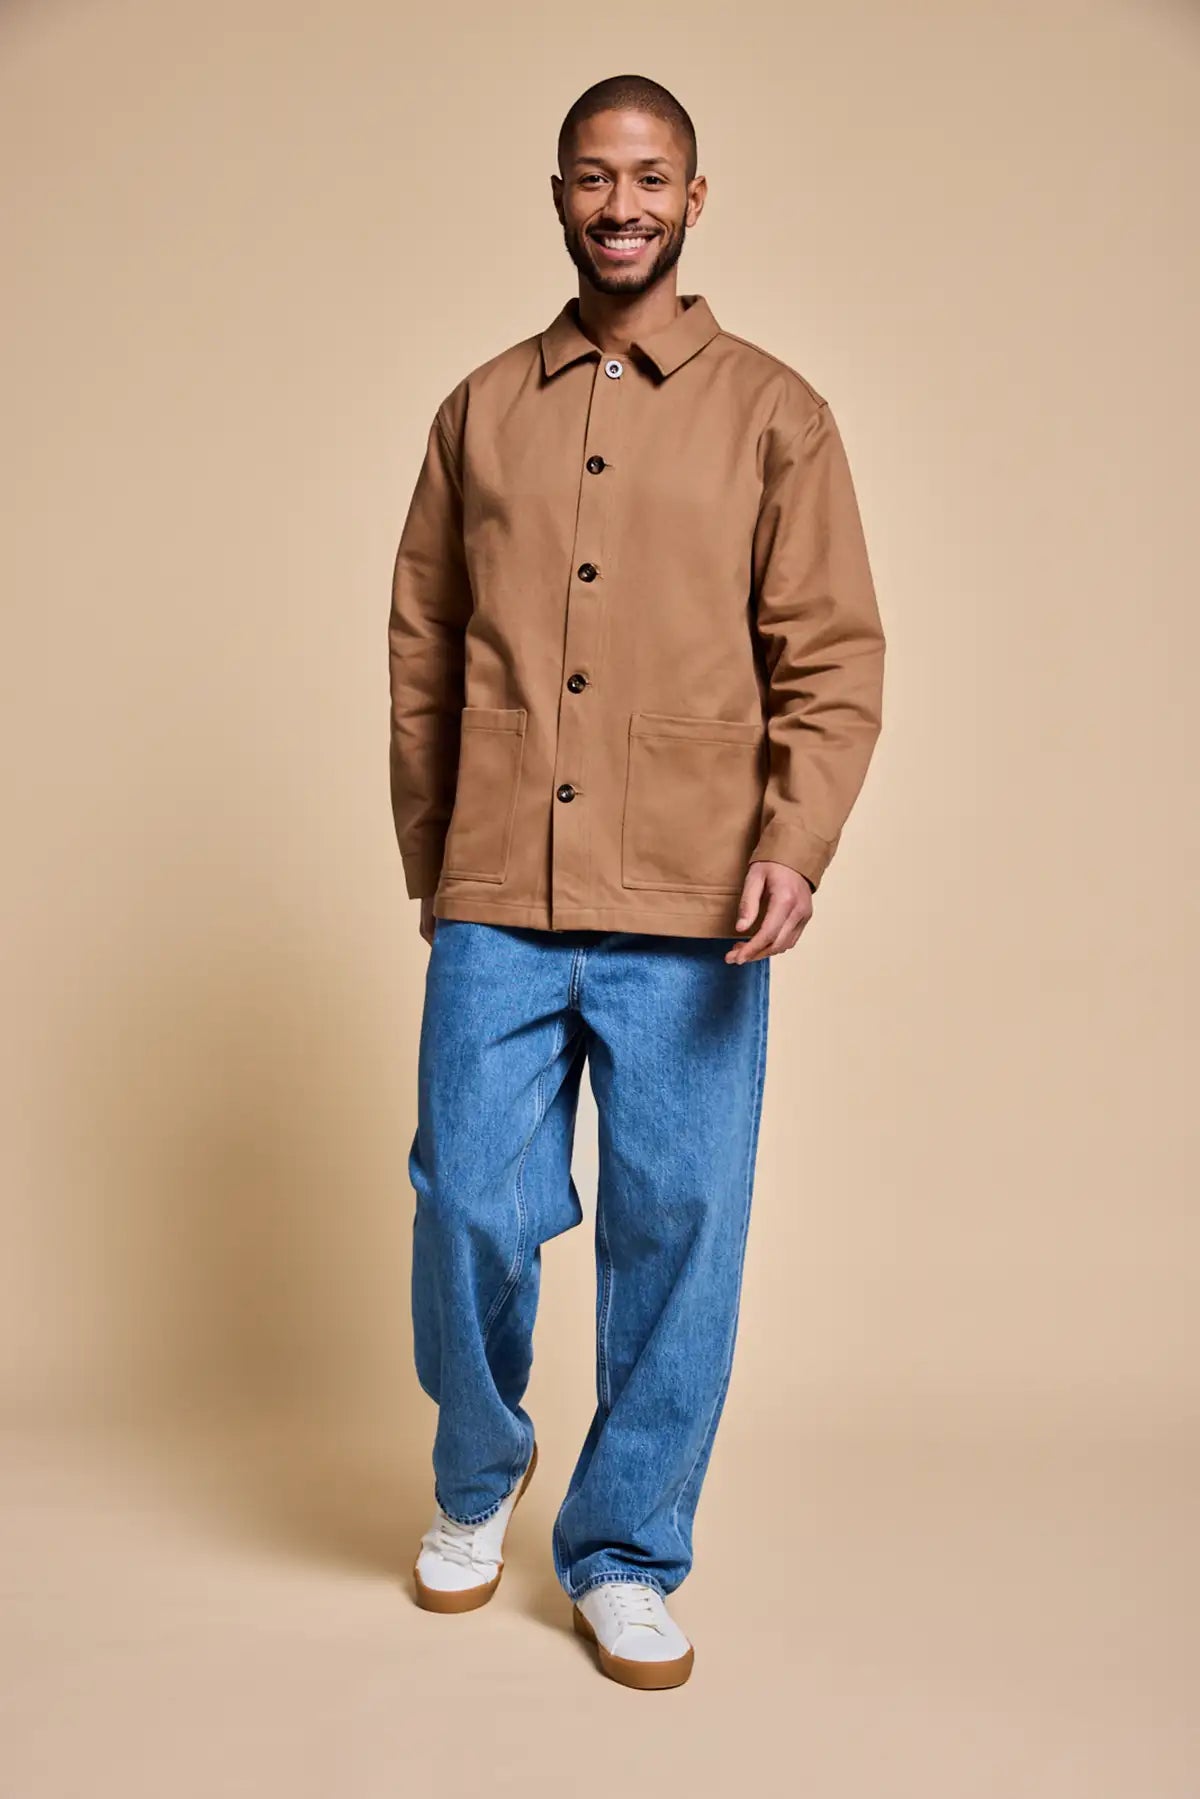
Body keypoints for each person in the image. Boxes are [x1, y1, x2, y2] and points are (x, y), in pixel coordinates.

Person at [386, 72, 886, 1690]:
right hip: (497, 891)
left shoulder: (776, 414)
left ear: (695, 197)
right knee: (468, 1199)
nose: (623, 205)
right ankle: (480, 1473)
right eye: (596, 178)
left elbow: (831, 656)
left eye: (651, 177)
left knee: (680, 1234)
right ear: (559, 196)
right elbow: (422, 651)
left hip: (696, 900)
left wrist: (795, 840)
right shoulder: (480, 411)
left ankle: (623, 1554)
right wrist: (436, 854)